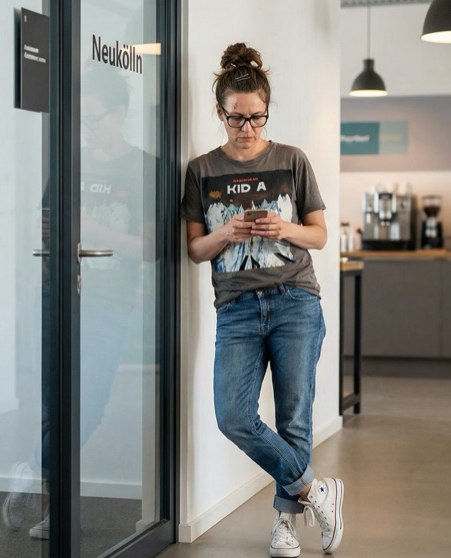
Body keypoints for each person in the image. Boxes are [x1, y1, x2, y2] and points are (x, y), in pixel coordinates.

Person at [179, 43, 345, 557]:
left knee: (295, 417)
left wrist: (285, 227)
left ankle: (286, 526)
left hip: (296, 300)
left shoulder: (292, 159)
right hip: (236, 309)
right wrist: (227, 231)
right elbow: (193, 249)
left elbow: (319, 236)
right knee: (234, 415)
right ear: (219, 113)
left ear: (266, 111)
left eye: (256, 117)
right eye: (236, 119)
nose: (247, 128)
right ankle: (315, 492)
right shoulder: (201, 170)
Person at [1, 68, 154, 540]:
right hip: (59, 296)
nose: (85, 129)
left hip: (110, 303)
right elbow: (48, 233)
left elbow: (149, 246)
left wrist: (93, 229)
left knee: (90, 403)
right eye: (80, 120)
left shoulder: (146, 166)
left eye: (94, 118)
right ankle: (57, 508)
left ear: (121, 113)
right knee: (54, 404)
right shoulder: (69, 163)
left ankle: (33, 467)